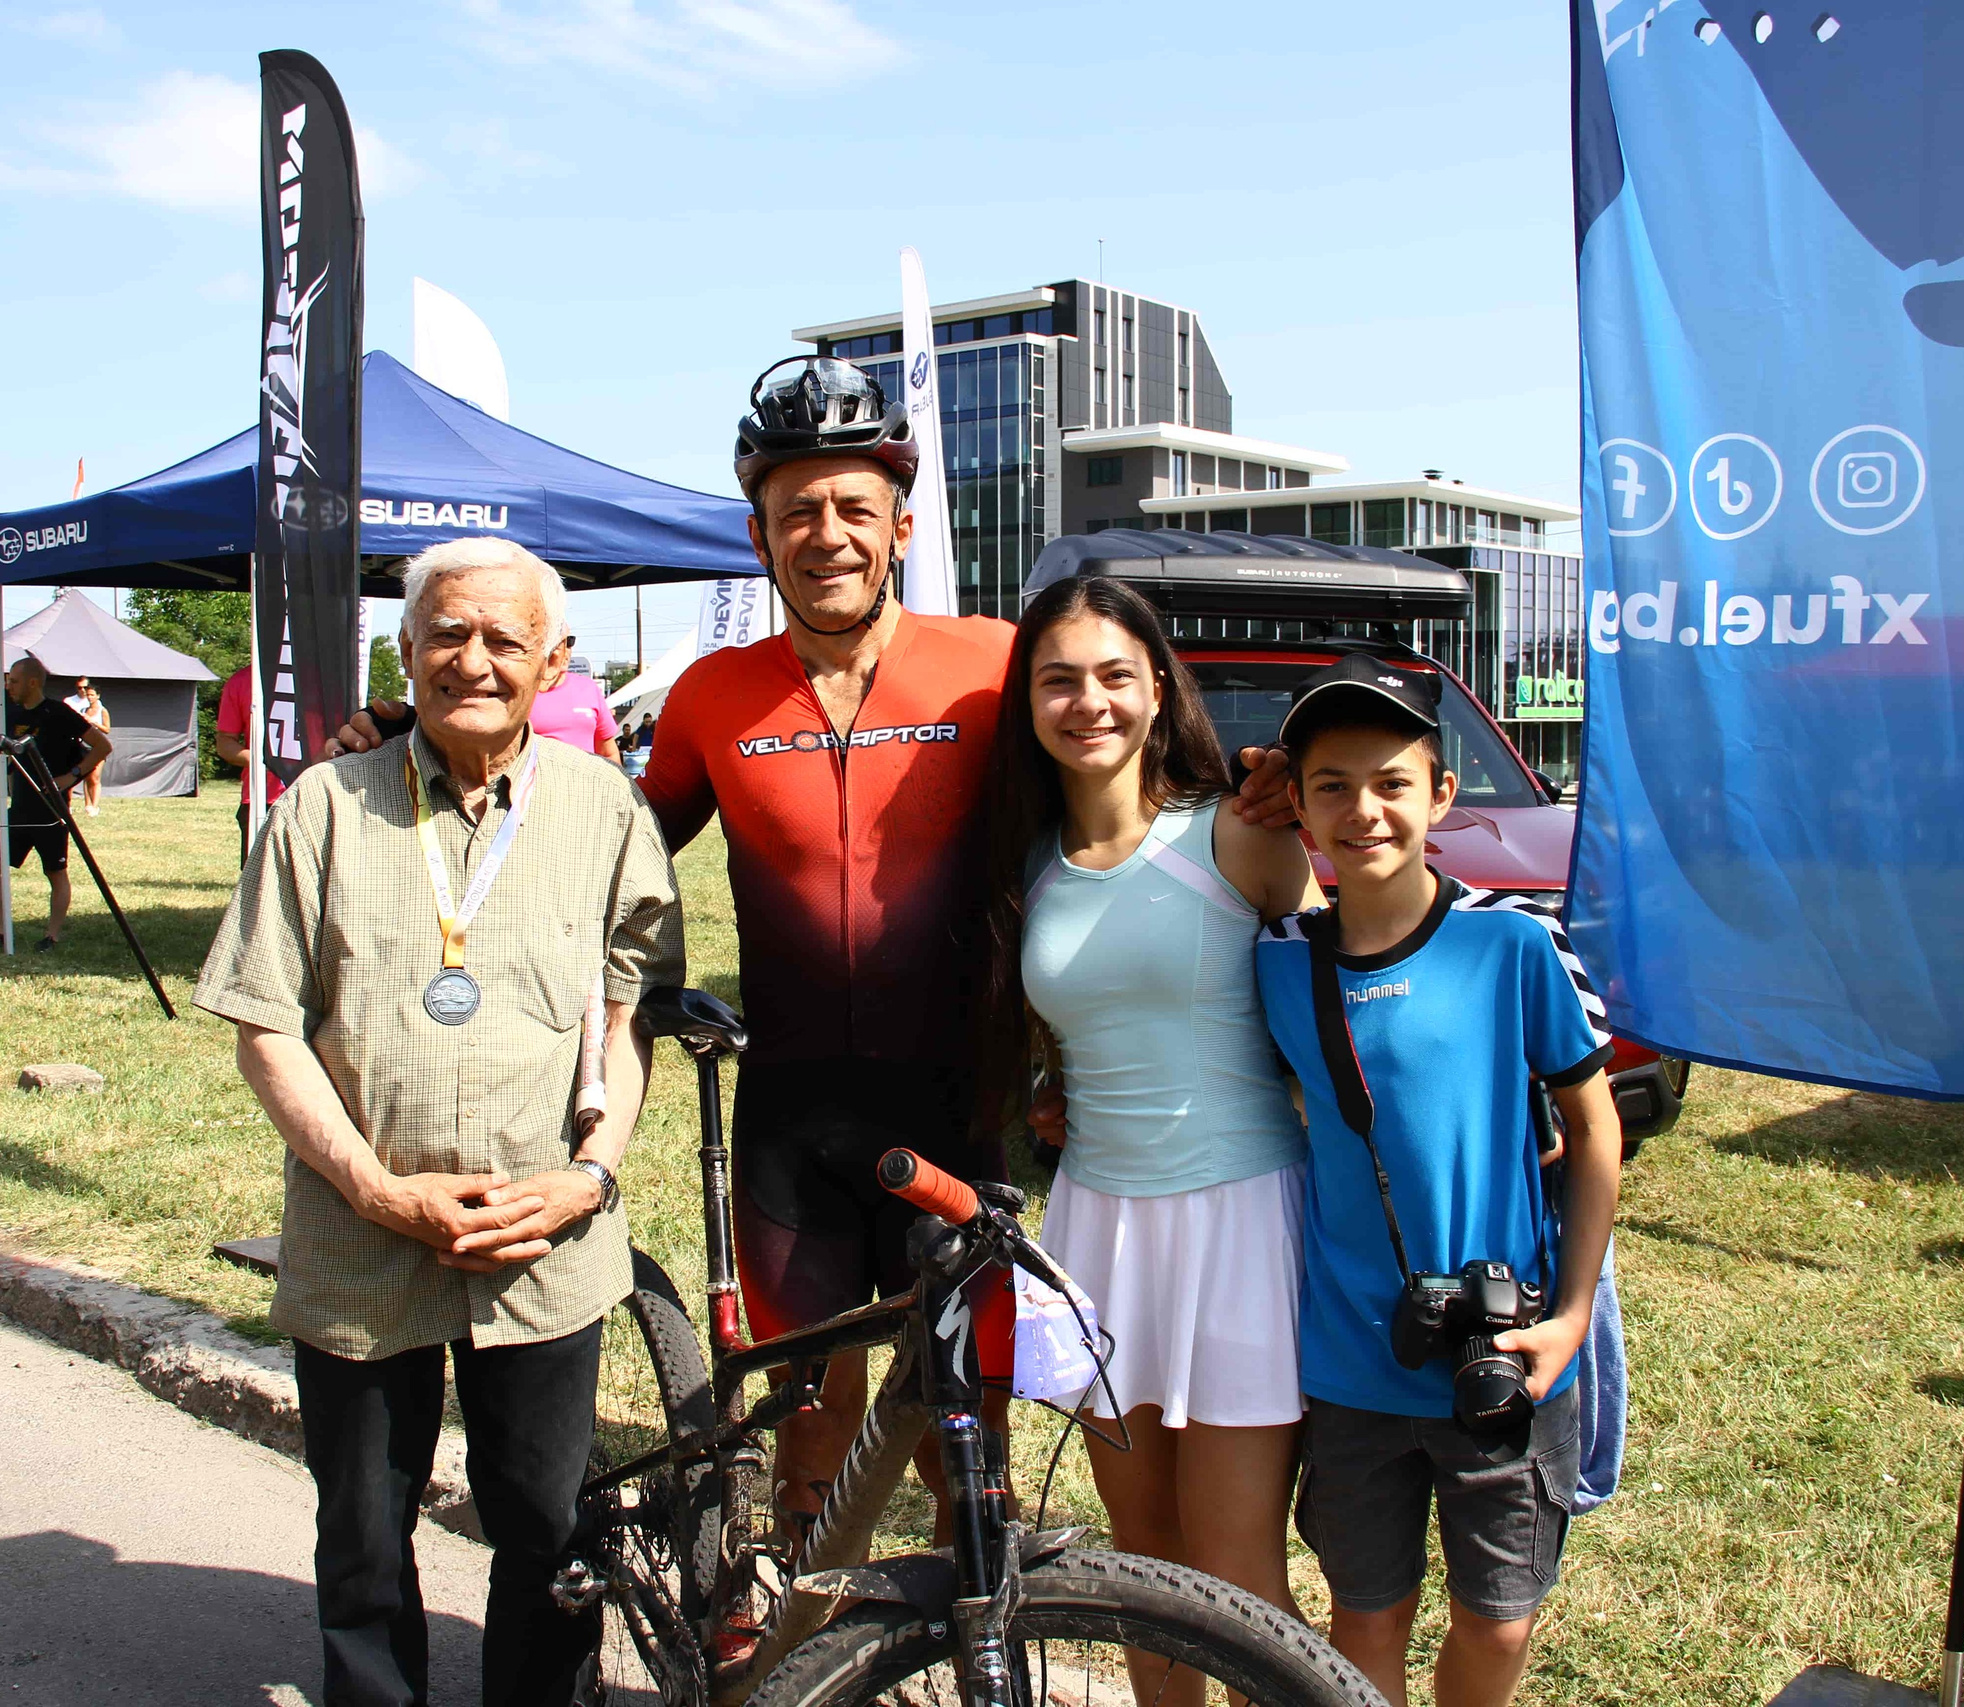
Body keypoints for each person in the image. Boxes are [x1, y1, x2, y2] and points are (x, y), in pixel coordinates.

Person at [329, 358, 1298, 1558]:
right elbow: (589, 842)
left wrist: (1254, 791)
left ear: (900, 524)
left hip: (959, 1107)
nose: (825, 536)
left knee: (968, 1434)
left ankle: (964, 1650)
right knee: (812, 1430)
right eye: (797, 513)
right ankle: (792, 1657)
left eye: (852, 508)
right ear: (758, 535)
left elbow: (1121, 786)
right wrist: (417, 736)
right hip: (792, 1116)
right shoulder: (711, 697)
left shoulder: (994, 666)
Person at [196, 537, 684, 1707]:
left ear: (554, 662)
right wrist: (370, 1189)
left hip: (542, 1244)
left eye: (505, 640)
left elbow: (622, 1021)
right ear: (405, 650)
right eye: (448, 634)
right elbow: (266, 1025)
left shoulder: (605, 810)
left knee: (552, 1533)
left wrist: (592, 1177)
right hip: (364, 1239)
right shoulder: (323, 805)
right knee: (363, 1533)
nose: (474, 659)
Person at [1253, 654, 1622, 1707]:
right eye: (1331, 786)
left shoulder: (1512, 943)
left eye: (1391, 783)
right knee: (1364, 1614)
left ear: (1441, 795)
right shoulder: (1275, 966)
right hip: (1348, 1365)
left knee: (1498, 1623)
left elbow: (1594, 1132)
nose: (1362, 810)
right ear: (1300, 808)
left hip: (1501, 1351)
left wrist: (1573, 1315)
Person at [982, 574, 1320, 1705]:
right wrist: (1045, 1085)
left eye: (1116, 675)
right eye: (1059, 679)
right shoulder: (1026, 866)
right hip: (1096, 1234)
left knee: (1234, 1574)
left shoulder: (1240, 833)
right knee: (1140, 1569)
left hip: (1236, 1223)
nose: (1089, 702)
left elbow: (1340, 1014)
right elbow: (1062, 1029)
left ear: (1159, 687)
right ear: (1027, 702)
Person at [0, 659, 110, 952]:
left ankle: (51, 936)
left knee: (55, 873)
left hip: (51, 810)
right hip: (19, 808)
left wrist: (71, 776)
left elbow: (103, 747)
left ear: (32, 682)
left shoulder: (59, 713)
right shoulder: (8, 714)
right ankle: (0, 931)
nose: (8, 686)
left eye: (13, 681)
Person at [215, 665, 287, 866]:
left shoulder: (319, 676)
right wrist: (264, 762)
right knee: (258, 885)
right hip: (261, 799)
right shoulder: (243, 681)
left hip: (313, 794)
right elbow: (225, 743)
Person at [529, 643, 622, 765]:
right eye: (556, 644)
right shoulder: (521, 692)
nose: (564, 650)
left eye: (569, 642)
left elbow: (609, 753)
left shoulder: (589, 688)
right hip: (537, 782)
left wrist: (615, 782)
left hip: (586, 781)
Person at [62, 676, 111, 816]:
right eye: (87, 695)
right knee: (84, 775)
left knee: (95, 777)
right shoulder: (84, 710)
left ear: (98, 696)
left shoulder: (103, 710)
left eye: (91, 694)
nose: (88, 697)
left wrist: (93, 723)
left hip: (97, 747)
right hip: (81, 745)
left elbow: (107, 729)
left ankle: (94, 807)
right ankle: (86, 805)